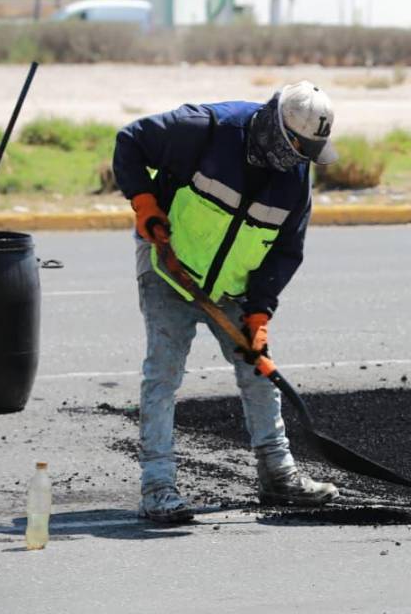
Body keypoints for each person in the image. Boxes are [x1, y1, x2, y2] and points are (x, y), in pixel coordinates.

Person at [113, 81, 341, 523]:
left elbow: (285, 250)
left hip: (232, 289)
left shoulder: (295, 180)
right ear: (278, 130)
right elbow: (131, 141)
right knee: (163, 372)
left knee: (258, 373)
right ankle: (158, 485)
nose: (302, 161)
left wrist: (259, 312)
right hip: (169, 267)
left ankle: (278, 476)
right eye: (298, 149)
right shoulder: (206, 128)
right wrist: (144, 205)